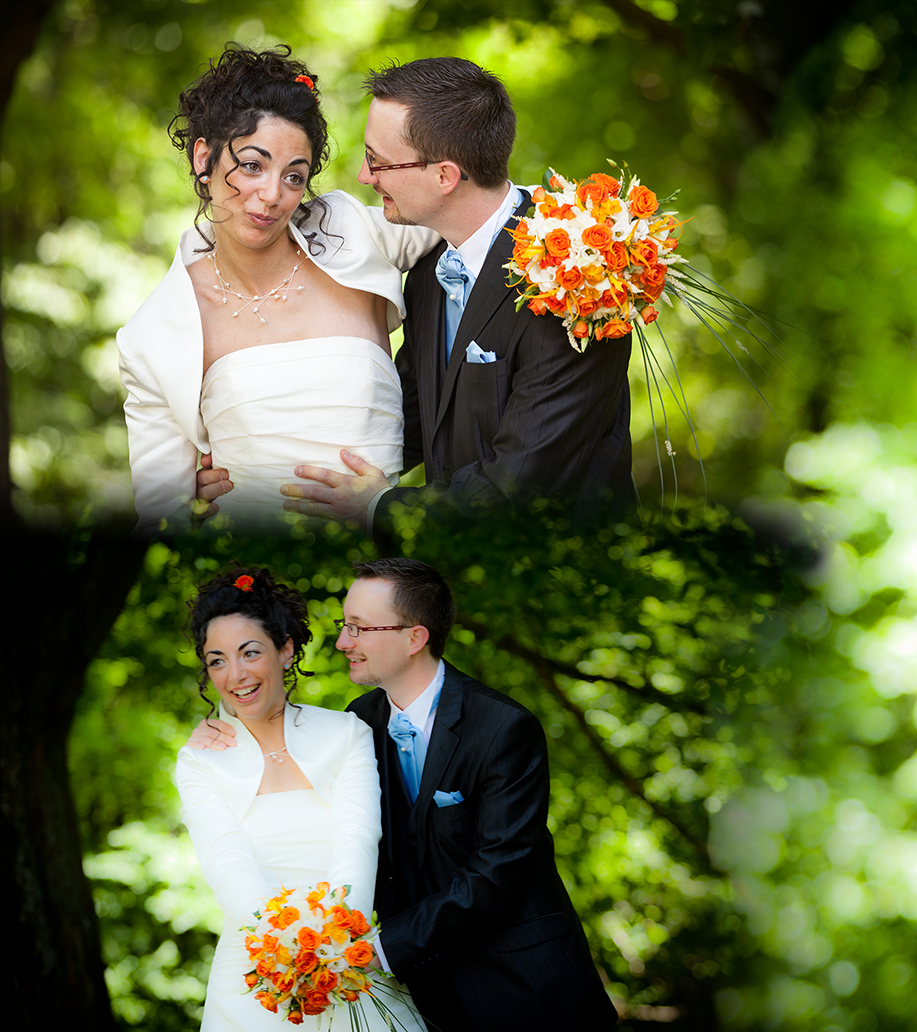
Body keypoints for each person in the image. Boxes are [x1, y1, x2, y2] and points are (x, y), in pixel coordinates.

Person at [189, 559, 617, 1032]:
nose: (342, 642)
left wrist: (373, 948)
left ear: (414, 638)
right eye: (343, 625)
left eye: (358, 628)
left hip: (521, 984)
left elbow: (497, 871)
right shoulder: (362, 719)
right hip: (418, 989)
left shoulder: (501, 728)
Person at [280, 57, 637, 527]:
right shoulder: (430, 269)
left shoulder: (576, 283)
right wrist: (253, 459)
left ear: (445, 176)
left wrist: (377, 508)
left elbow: (518, 489)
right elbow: (402, 418)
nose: (367, 178)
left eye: (378, 161)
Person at [119, 45, 440, 535]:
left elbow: (473, 217)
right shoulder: (152, 336)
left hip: (387, 551)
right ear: (204, 157)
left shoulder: (352, 231)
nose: (272, 195)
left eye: (294, 176)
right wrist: (192, 508)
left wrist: (578, 248)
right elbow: (162, 517)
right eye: (252, 165)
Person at [174, 567, 424, 1030]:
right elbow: (225, 859)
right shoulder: (199, 761)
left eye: (250, 653)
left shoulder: (346, 732)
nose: (236, 675)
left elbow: (358, 837)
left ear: (285, 649)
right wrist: (283, 949)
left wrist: (333, 946)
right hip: (256, 973)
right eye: (217, 660)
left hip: (349, 958)